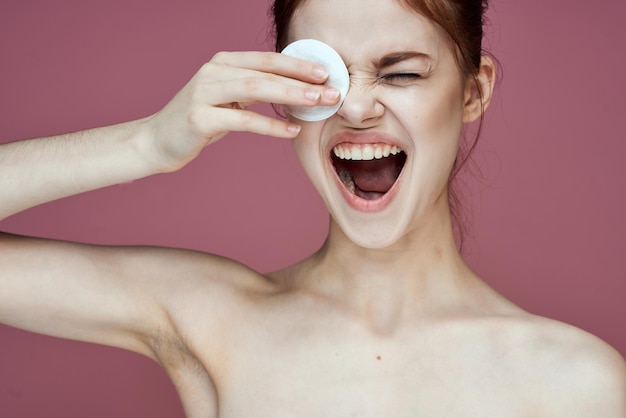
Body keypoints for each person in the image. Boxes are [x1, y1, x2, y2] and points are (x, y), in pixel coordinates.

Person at [1, 0, 624, 416]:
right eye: (320, 78)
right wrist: (146, 144)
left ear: (474, 89)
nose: (355, 110)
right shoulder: (211, 319)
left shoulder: (578, 383)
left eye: (401, 74)